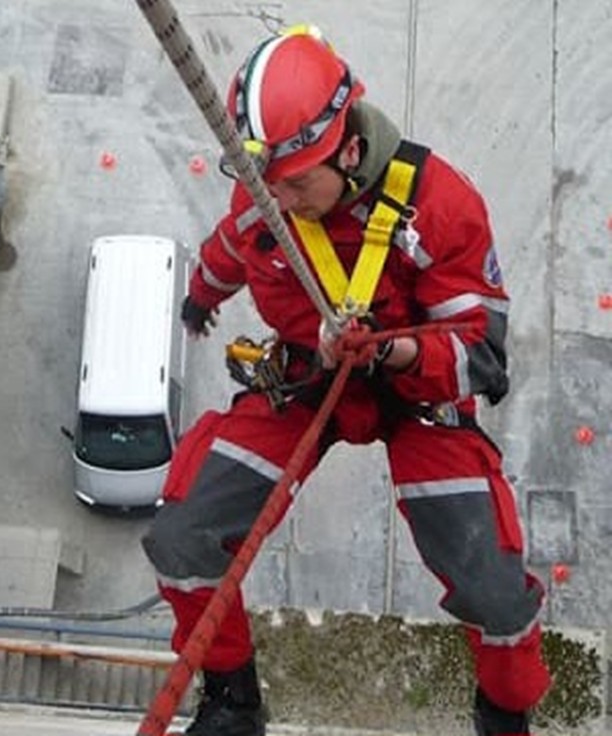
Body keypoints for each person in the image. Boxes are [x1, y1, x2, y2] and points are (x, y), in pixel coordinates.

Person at [140, 26, 549, 736]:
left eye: (297, 182)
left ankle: (506, 713)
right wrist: (200, 298)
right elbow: (231, 249)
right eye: (268, 184)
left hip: (416, 396)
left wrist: (391, 354)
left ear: (349, 149)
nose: (284, 199)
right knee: (183, 534)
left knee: (493, 583)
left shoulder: (441, 204)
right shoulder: (269, 202)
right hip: (308, 380)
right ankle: (233, 698)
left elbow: (481, 355)